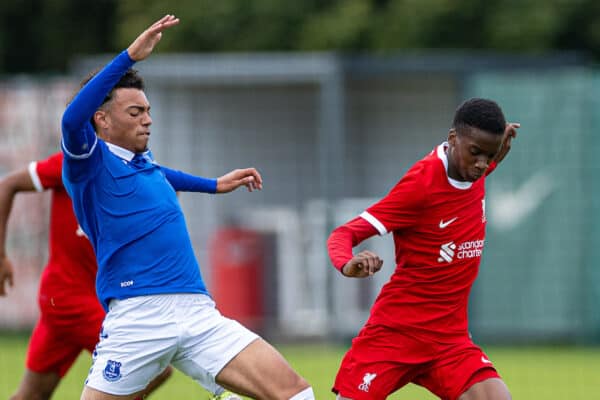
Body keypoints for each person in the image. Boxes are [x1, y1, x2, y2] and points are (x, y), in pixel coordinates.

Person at [61, 14, 314, 400]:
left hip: (197, 311)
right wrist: (129, 57)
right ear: (103, 120)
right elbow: (71, 118)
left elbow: (165, 176)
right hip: (138, 316)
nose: (147, 120)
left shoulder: (144, 165)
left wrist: (214, 185)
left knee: (295, 394)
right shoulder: (88, 163)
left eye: (147, 111)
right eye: (135, 113)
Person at [327, 98, 519, 400]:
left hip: (449, 340)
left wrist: (494, 152)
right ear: (453, 139)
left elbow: (473, 175)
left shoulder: (474, 170)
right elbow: (343, 233)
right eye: (475, 153)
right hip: (396, 334)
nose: (482, 164)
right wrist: (347, 264)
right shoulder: (421, 185)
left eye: (489, 156)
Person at [0, 152, 172, 400]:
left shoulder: (129, 170)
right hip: (69, 299)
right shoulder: (69, 163)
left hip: (72, 300)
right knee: (155, 367)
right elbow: (8, 184)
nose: (146, 121)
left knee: (32, 394)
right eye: (135, 112)